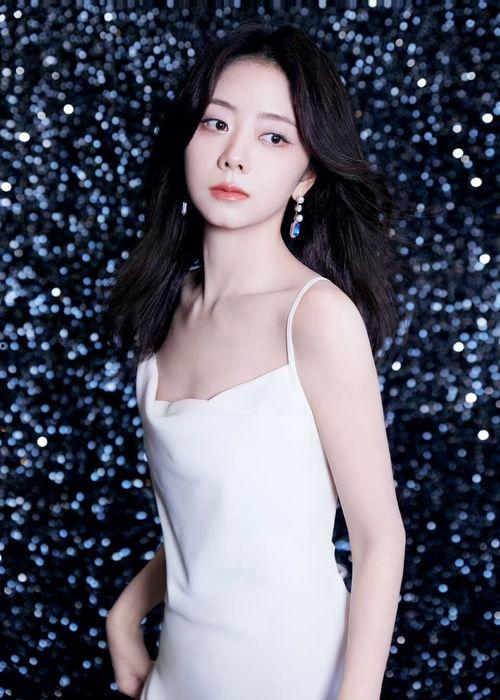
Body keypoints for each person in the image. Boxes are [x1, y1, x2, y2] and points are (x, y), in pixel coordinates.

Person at [104, 19, 408, 700]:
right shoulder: (165, 310)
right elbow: (219, 525)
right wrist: (125, 614)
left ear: (307, 174)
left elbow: (379, 538)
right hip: (179, 676)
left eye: (274, 137)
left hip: (295, 676)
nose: (234, 156)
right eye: (216, 124)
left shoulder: (316, 317)